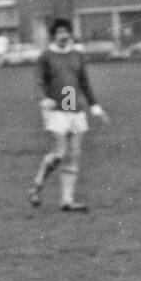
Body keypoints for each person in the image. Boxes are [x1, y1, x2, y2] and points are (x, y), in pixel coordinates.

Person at [29, 18, 108, 211]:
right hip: (56, 108)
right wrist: (43, 98)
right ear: (53, 35)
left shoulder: (77, 56)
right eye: (59, 32)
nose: (63, 35)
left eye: (66, 32)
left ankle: (67, 200)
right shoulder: (46, 57)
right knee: (59, 153)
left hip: (74, 107)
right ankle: (37, 184)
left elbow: (84, 83)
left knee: (73, 155)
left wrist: (95, 107)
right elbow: (38, 81)